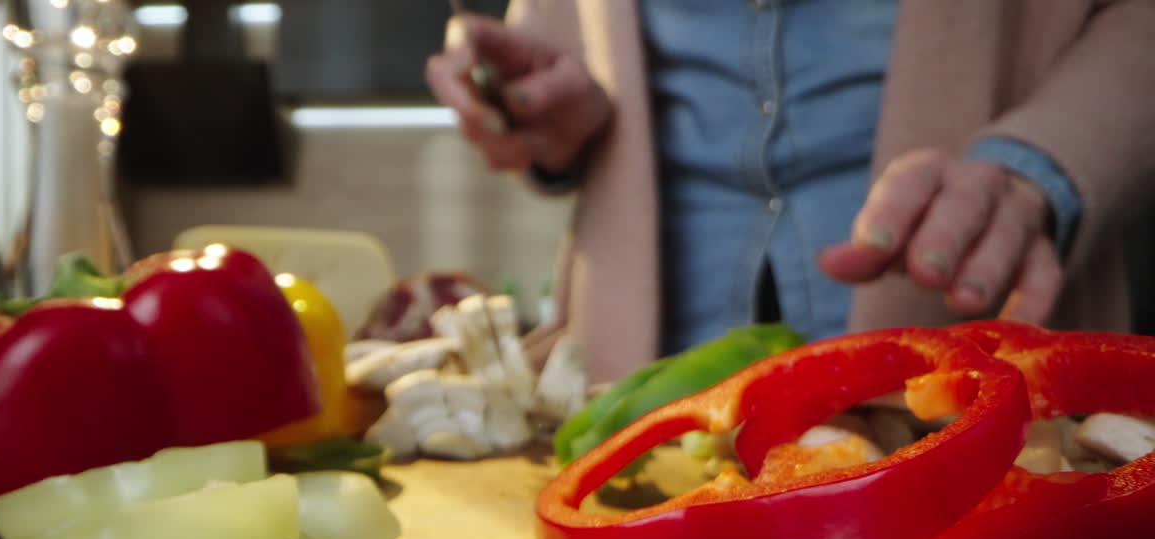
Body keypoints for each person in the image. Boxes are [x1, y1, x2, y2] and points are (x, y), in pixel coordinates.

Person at [426, 0, 1155, 384]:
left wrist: (1035, 167)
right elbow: (566, 52)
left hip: (973, 378)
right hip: (637, 393)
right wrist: (552, 120)